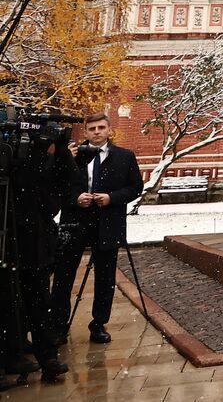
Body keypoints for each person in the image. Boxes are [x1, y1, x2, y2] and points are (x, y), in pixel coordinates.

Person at [49, 113, 141, 346]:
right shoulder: (72, 155)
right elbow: (56, 185)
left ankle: (98, 324)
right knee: (63, 276)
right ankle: (58, 326)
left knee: (105, 277)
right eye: (92, 128)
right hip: (75, 222)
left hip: (107, 223)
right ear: (86, 132)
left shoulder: (124, 156)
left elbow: (135, 187)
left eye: (101, 127)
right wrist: (74, 198)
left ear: (110, 130)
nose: (97, 132)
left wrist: (111, 198)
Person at [8, 122, 73, 382]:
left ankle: (48, 356)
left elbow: (66, 183)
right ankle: (14, 353)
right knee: (13, 303)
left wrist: (62, 150)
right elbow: (21, 183)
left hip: (36, 241)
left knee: (39, 302)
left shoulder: (43, 156)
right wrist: (37, 149)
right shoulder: (19, 157)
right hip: (11, 239)